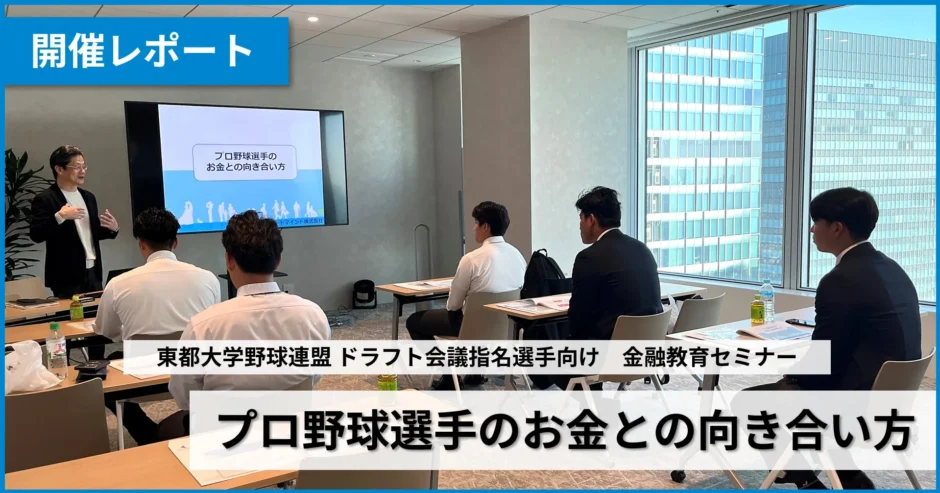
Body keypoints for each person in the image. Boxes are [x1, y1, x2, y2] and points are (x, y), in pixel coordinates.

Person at [742, 188, 921, 489]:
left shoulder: (840, 279)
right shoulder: (891, 268)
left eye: (816, 222)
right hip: (894, 399)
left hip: (857, 405)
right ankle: (848, 477)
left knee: (750, 402)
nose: (812, 230)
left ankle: (806, 481)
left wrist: (792, 376)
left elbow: (825, 361)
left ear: (837, 228)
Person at [160, 210, 331, 442]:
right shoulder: (314, 315)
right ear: (278, 260)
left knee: (166, 429)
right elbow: (311, 379)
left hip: (222, 439)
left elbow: (185, 397)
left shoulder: (203, 326)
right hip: (289, 432)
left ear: (229, 260)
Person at [93, 207, 221, 445]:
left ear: (141, 244)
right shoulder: (208, 279)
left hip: (140, 372)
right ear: (176, 242)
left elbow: (107, 332)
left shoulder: (118, 284)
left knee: (102, 372)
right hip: (194, 368)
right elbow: (212, 327)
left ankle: (147, 434)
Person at [406, 201, 526, 390]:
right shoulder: (517, 255)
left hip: (471, 326)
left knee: (414, 321)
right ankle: (475, 373)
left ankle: (448, 376)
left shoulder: (471, 259)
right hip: (506, 327)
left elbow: (453, 305)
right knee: (478, 316)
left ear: (485, 227)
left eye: (476, 223)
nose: (473, 228)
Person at [552, 186, 662, 391]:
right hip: (648, 351)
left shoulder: (589, 257)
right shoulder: (642, 249)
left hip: (610, 357)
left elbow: (578, 317)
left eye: (580, 218)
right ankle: (595, 403)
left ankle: (591, 404)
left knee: (550, 353)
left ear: (591, 219)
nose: (579, 226)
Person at [29, 145, 119, 298]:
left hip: (93, 272)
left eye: (84, 166)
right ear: (59, 169)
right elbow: (36, 234)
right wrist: (60, 217)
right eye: (77, 167)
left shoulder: (88, 197)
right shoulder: (46, 199)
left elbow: (89, 233)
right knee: (70, 313)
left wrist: (112, 229)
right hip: (66, 276)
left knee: (94, 312)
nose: (83, 171)